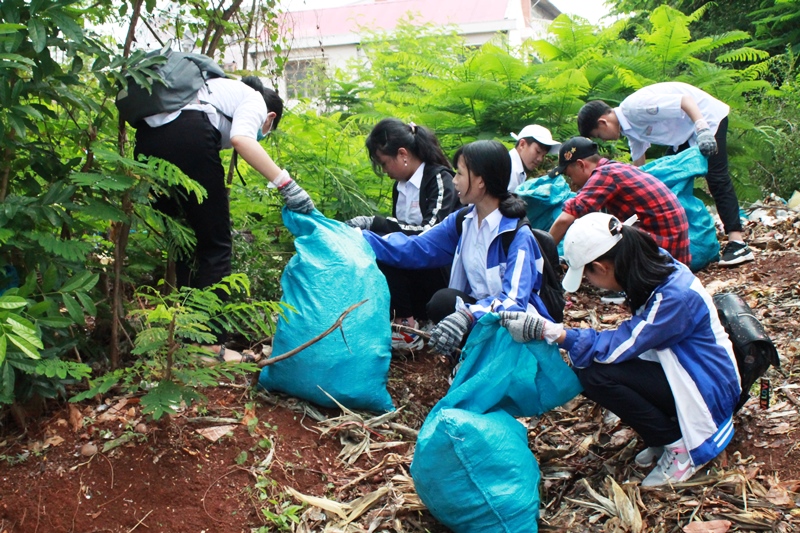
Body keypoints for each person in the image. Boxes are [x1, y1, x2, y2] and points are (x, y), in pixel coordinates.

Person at [499, 212, 741, 487]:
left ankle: (677, 446)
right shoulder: (651, 264)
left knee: (595, 374)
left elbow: (621, 344)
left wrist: (556, 333)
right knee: (588, 367)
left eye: (587, 275)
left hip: (707, 385)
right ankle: (663, 435)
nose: (589, 283)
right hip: (683, 367)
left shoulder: (673, 297)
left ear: (602, 267)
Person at [135, 75, 315, 364]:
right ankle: (207, 347)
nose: (263, 133)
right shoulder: (254, 99)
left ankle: (184, 338)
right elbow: (242, 139)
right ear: (269, 118)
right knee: (216, 246)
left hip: (146, 141)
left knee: (186, 242)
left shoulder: (210, 91)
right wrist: (287, 185)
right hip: (188, 133)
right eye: (268, 129)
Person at [359, 140, 551, 361]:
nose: (455, 181)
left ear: (480, 181)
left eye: (460, 173)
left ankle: (490, 360)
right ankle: (468, 356)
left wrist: (468, 314)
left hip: (513, 325)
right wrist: (360, 237)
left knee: (453, 307)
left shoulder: (516, 235)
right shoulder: (463, 221)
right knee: (444, 301)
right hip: (479, 313)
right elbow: (417, 248)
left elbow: (514, 303)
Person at [577, 82, 754, 266]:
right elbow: (640, 165)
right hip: (684, 135)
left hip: (706, 118)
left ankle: (737, 242)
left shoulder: (635, 108)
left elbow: (685, 101)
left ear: (602, 123)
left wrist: (702, 129)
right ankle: (685, 240)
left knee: (717, 177)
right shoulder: (629, 128)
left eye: (599, 135)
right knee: (666, 180)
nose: (603, 139)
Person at [346, 118, 459, 351]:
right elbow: (402, 228)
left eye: (385, 164)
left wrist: (375, 223)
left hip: (439, 266)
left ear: (402, 154)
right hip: (412, 265)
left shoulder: (438, 179)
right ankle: (404, 318)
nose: (386, 171)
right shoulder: (401, 185)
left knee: (387, 249)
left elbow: (432, 232)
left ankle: (406, 327)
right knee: (380, 251)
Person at [548, 137, 691, 269]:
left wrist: (541, 254)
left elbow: (566, 218)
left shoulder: (604, 175)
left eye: (569, 175)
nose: (572, 182)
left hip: (664, 251)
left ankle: (628, 283)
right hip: (673, 246)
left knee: (602, 239)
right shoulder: (614, 168)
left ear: (580, 165)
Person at [508, 124, 562, 192]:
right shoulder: (510, 169)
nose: (540, 159)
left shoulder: (516, 168)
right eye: (538, 151)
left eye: (543, 155)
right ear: (522, 144)